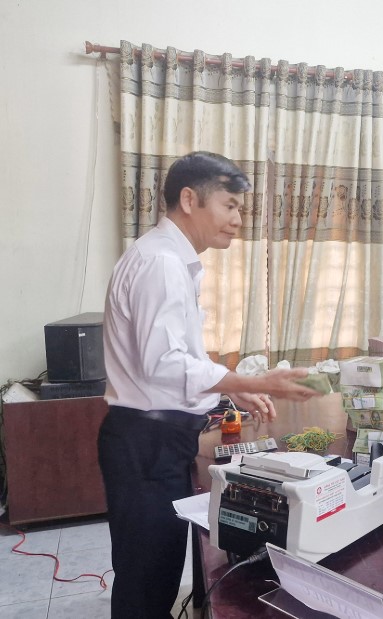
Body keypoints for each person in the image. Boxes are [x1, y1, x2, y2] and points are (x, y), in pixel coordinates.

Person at [99, 152, 320, 618]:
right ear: (189, 199)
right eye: (229, 205)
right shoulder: (161, 264)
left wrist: (229, 388)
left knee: (155, 570)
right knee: (147, 580)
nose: (238, 219)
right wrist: (250, 379)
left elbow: (179, 356)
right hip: (147, 441)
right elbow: (162, 364)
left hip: (153, 438)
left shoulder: (169, 259)